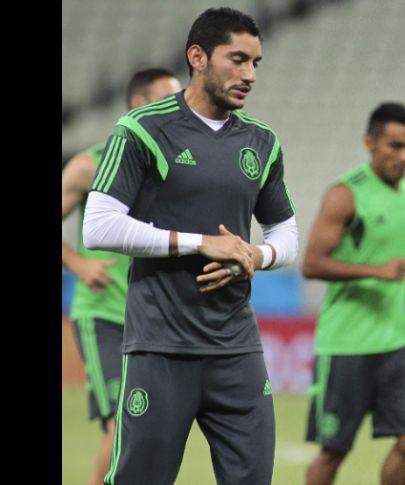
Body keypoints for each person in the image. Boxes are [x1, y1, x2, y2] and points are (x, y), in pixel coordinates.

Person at [82, 7, 298, 484]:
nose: (249, 75)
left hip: (237, 348)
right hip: (160, 347)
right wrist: (201, 244)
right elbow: (97, 226)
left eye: (256, 63)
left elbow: (287, 233)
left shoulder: (262, 142)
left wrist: (255, 255)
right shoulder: (141, 128)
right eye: (237, 60)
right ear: (197, 57)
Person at [302, 102, 405, 485]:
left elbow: (400, 263)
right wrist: (375, 271)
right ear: (370, 142)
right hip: (346, 343)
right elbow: (312, 263)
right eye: (395, 146)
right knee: (333, 451)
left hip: (395, 340)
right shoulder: (346, 194)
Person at [62, 67, 181, 485]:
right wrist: (78, 264)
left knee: (149, 431)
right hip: (105, 318)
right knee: (121, 427)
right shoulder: (88, 165)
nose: (178, 109)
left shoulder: (174, 169)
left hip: (154, 320)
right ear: (139, 105)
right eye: (168, 100)